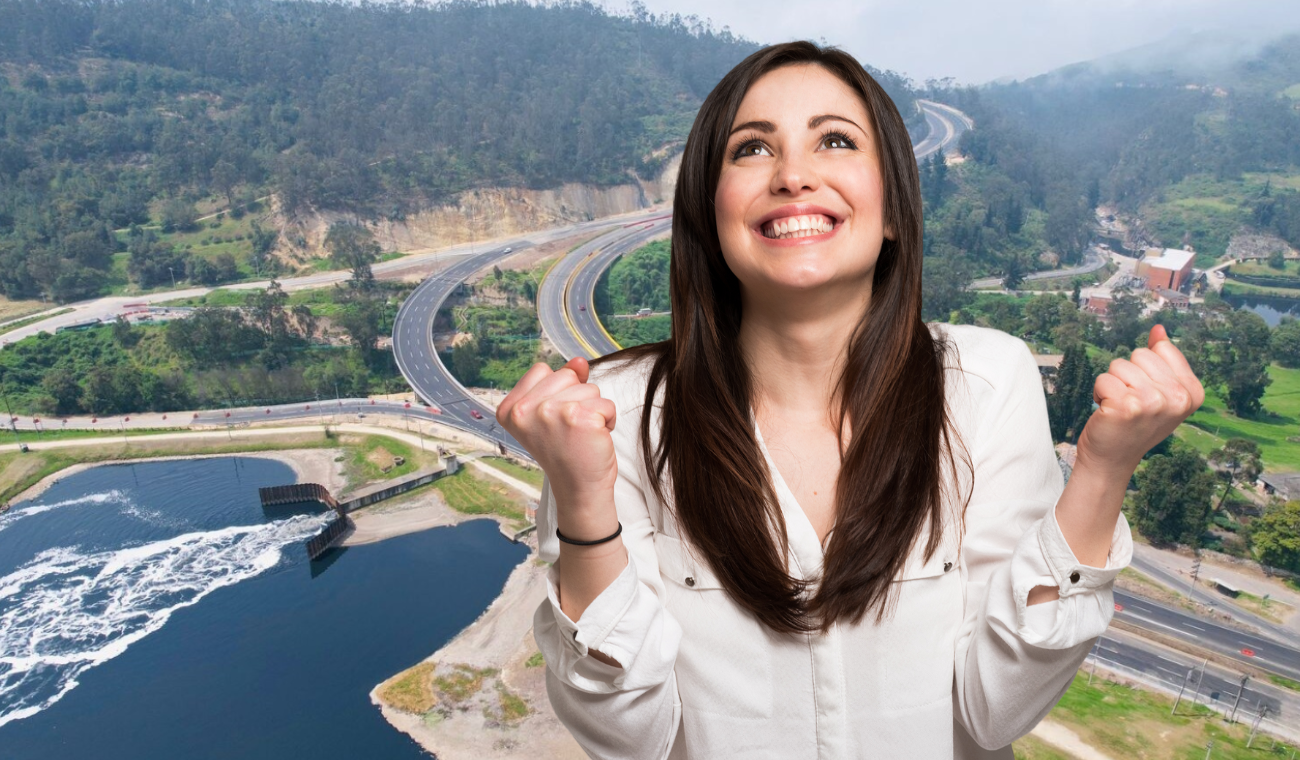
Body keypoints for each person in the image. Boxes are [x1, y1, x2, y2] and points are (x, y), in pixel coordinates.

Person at [497, 41, 1204, 759]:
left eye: (835, 140)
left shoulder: (987, 383)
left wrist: (1103, 471)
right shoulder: (613, 416)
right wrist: (583, 501)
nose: (793, 175)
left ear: (893, 209)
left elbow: (998, 710)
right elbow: (630, 740)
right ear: (709, 215)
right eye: (751, 149)